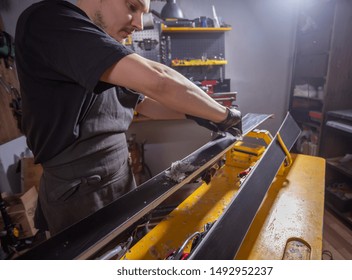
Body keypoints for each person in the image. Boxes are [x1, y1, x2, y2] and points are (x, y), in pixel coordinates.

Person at [15, 0, 241, 235]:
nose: (140, 24)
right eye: (132, 7)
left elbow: (145, 104)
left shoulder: (103, 44)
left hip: (119, 174)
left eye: (143, 13)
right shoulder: (51, 22)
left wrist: (201, 114)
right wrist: (225, 116)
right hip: (81, 191)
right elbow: (159, 80)